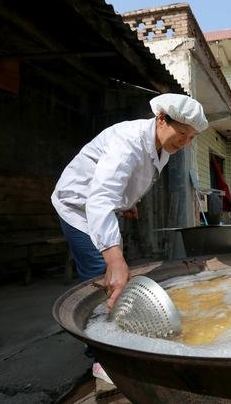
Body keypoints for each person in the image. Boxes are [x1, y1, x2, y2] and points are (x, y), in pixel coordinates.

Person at [51, 93, 208, 383]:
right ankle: (102, 359)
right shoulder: (128, 142)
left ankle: (120, 335)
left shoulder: (160, 144)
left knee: (115, 273)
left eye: (192, 138)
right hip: (78, 206)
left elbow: (126, 179)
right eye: (182, 133)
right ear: (162, 119)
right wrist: (114, 258)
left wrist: (127, 201)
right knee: (101, 276)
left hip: (102, 205)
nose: (185, 143)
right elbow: (98, 200)